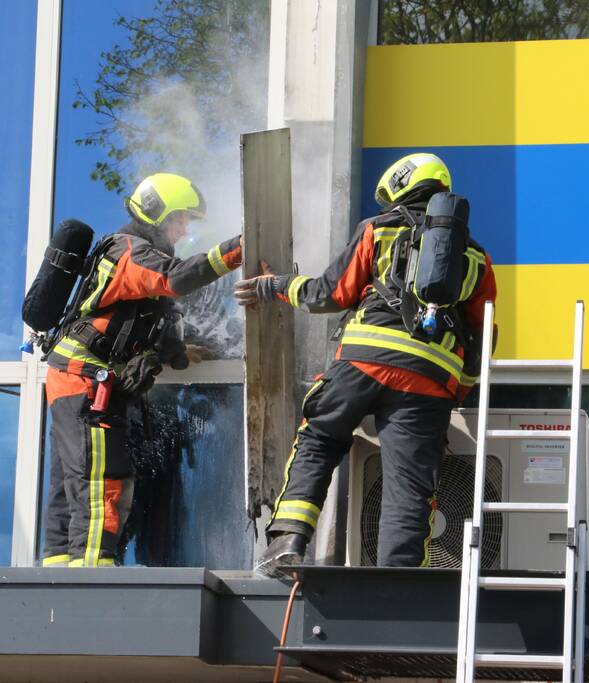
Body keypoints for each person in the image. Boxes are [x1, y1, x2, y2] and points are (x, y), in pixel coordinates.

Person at [235, 153, 497, 575]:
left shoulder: (378, 229)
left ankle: (288, 540)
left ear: (400, 186)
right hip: (429, 386)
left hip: (363, 364)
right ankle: (397, 585)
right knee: (409, 487)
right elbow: (481, 342)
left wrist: (275, 286)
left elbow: (328, 293)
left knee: (320, 439)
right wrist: (455, 394)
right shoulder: (477, 260)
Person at [42, 172, 242, 568]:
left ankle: (60, 578)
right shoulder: (130, 251)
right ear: (157, 212)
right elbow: (176, 279)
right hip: (87, 383)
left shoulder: (129, 255)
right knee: (102, 484)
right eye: (180, 218)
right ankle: (93, 582)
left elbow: (153, 324)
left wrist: (181, 354)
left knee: (70, 489)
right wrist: (240, 248)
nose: (183, 228)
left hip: (74, 378)